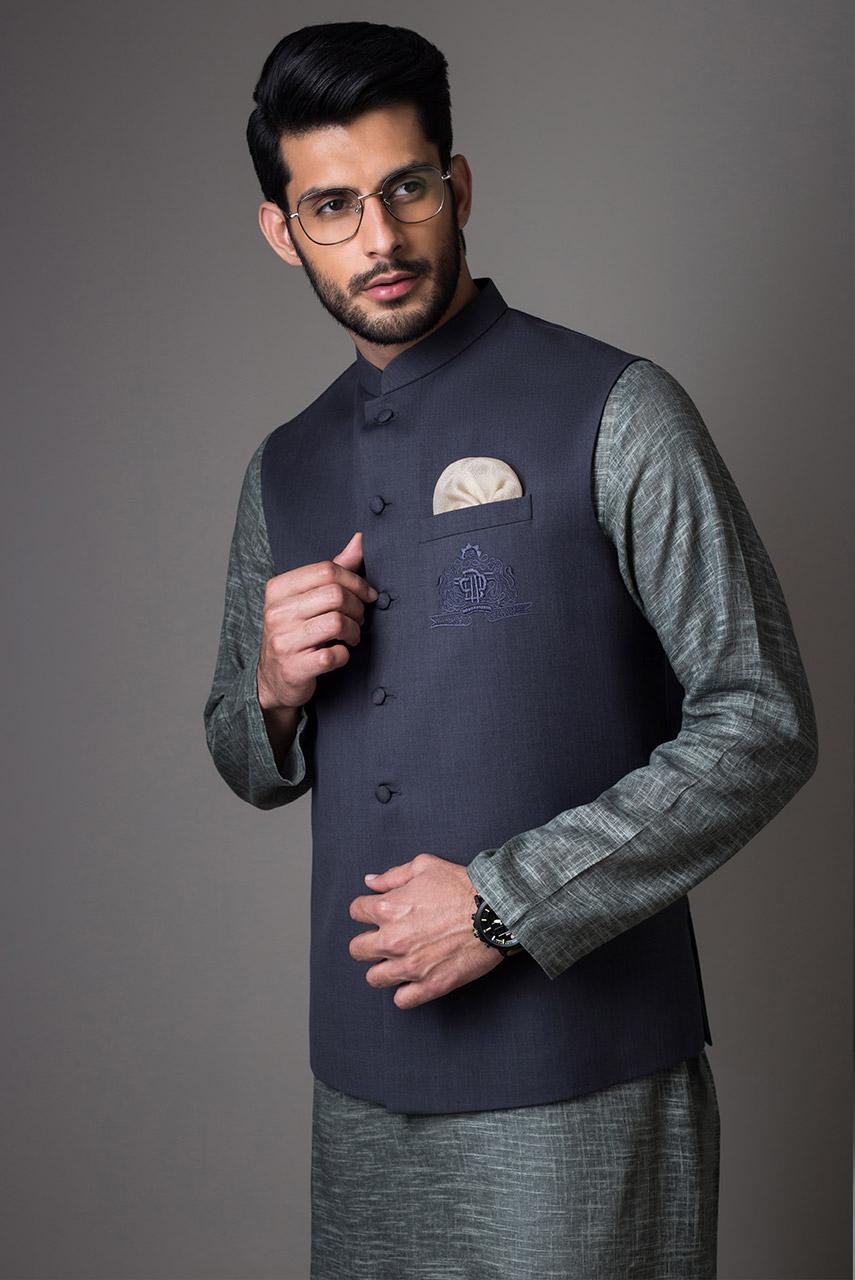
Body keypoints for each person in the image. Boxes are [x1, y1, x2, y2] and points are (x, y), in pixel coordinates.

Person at [204, 21, 817, 1279]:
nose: (380, 237)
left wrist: (504, 900)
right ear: (282, 230)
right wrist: (269, 691)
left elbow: (762, 717)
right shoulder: (284, 466)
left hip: (586, 1081)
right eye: (332, 206)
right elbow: (243, 753)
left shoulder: (619, 408)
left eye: (407, 188)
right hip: (361, 1098)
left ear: (459, 185)